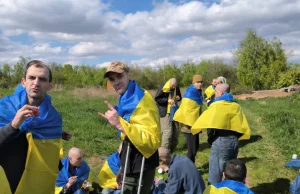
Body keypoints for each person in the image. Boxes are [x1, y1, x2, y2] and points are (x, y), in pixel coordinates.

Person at [0, 60, 63, 194]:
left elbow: (50, 152)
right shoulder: (4, 108)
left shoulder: (53, 119)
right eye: (32, 77)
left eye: (42, 79)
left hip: (35, 183)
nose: (36, 82)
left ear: (50, 86)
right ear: (24, 82)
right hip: (5, 178)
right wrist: (13, 125)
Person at [98, 62, 161, 194]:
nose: (116, 82)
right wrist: (122, 167)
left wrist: (120, 124)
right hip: (130, 157)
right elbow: (129, 132)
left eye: (119, 76)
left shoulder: (141, 100)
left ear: (129, 74)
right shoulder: (127, 96)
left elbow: (151, 140)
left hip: (141, 160)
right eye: (112, 79)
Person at [191, 83, 251, 185]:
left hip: (221, 141)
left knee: (215, 174)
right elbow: (241, 124)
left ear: (221, 93)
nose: (215, 93)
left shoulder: (216, 105)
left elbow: (209, 124)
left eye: (216, 91)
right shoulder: (236, 105)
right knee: (231, 173)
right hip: (234, 142)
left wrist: (211, 139)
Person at [173, 75, 204, 163]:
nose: (200, 84)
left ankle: (191, 165)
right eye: (198, 82)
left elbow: (196, 107)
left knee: (196, 146)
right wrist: (188, 123)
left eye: (201, 82)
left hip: (195, 123)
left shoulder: (198, 91)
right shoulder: (190, 92)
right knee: (192, 148)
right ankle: (189, 166)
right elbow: (186, 109)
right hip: (188, 126)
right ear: (193, 82)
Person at [155, 78, 182, 153]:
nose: (174, 88)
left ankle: (171, 151)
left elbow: (179, 97)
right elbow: (157, 99)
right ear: (169, 84)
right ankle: (163, 153)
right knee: (167, 132)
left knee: (176, 132)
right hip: (165, 112)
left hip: (175, 111)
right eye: (172, 86)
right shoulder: (162, 87)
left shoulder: (176, 87)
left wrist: (178, 97)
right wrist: (167, 100)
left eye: (175, 86)